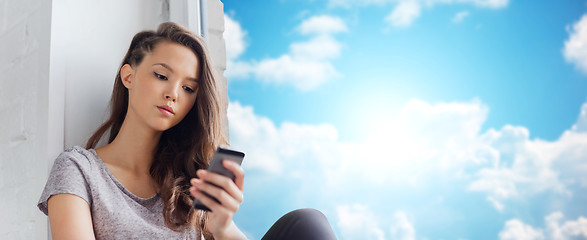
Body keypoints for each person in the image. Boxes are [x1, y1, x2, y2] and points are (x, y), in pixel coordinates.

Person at [37, 22, 337, 240]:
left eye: (188, 88)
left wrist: (222, 229)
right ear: (129, 75)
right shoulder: (78, 170)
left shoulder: (188, 181)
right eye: (161, 75)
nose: (173, 94)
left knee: (307, 224)